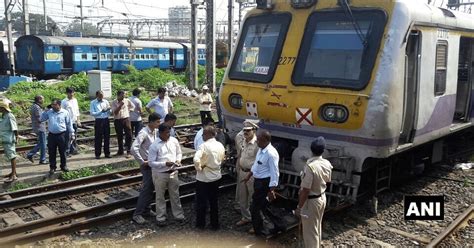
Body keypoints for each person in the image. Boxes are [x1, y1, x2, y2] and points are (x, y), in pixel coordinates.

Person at [295, 137, 333, 248]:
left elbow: (306, 189)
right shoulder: (326, 163)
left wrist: (299, 206)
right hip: (321, 197)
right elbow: (328, 180)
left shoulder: (310, 167)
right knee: (316, 227)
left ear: (311, 150)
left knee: (309, 232)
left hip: (310, 201)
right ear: (323, 150)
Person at [243, 130, 280, 236]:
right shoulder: (261, 149)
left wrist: (272, 189)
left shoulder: (271, 153)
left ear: (266, 140)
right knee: (263, 206)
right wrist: (249, 175)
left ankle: (259, 230)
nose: (257, 141)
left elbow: (275, 172)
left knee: (255, 207)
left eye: (259, 139)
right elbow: (256, 165)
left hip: (265, 184)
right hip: (258, 182)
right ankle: (278, 225)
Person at [148, 124, 185, 226]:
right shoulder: (154, 146)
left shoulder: (174, 141)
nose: (168, 135)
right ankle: (160, 217)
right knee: (160, 196)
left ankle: (178, 215)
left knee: (175, 195)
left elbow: (179, 152)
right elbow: (151, 162)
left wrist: (178, 160)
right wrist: (164, 164)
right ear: (160, 133)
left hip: (173, 172)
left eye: (169, 132)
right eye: (166, 133)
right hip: (160, 174)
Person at [130, 113, 161, 224]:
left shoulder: (155, 132)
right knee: (146, 189)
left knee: (150, 188)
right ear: (151, 122)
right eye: (157, 121)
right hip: (147, 166)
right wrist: (142, 162)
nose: (159, 123)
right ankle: (137, 214)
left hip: (153, 164)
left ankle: (147, 210)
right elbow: (134, 148)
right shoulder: (144, 133)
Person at [193, 125, 226, 230]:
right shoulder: (220, 145)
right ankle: (215, 224)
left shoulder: (203, 146)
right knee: (214, 202)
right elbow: (222, 159)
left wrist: (199, 168)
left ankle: (200, 224)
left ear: (208, 134)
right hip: (216, 177)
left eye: (203, 134)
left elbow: (196, 159)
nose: (202, 136)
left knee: (201, 202)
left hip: (204, 178)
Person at [41, 99, 74, 175]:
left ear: (59, 105)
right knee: (52, 152)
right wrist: (45, 111)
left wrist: (72, 133)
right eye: (52, 104)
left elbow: (69, 123)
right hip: (52, 135)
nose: (52, 106)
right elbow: (42, 119)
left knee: (63, 151)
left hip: (62, 134)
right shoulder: (49, 112)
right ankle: (52, 167)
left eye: (54, 104)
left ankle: (63, 166)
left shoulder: (65, 112)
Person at [235, 121, 259, 226]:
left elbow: (259, 161)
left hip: (251, 174)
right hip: (242, 172)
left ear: (254, 130)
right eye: (244, 130)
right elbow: (240, 155)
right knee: (242, 197)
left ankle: (256, 220)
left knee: (253, 198)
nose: (245, 132)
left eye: (248, 130)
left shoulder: (257, 144)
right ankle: (246, 217)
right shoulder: (243, 141)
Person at [111, 90, 135, 158]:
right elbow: (115, 112)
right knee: (119, 136)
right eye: (122, 95)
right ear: (118, 95)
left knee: (129, 135)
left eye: (124, 95)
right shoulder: (114, 102)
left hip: (126, 119)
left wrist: (128, 111)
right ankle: (120, 151)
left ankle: (129, 151)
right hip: (118, 120)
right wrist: (120, 105)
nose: (124, 96)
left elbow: (132, 107)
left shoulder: (127, 100)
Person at [0, 100, 18, 182]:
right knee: (10, 155)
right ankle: (13, 172)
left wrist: (16, 138)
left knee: (12, 156)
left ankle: (13, 175)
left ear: (3, 108)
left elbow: (15, 129)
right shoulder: (3, 115)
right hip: (5, 138)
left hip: (9, 139)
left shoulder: (10, 116)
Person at [90, 90, 111, 159]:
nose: (101, 97)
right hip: (98, 120)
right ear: (97, 96)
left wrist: (109, 110)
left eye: (102, 96)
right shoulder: (93, 103)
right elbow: (92, 113)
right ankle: (97, 154)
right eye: (100, 96)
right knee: (98, 138)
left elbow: (109, 112)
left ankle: (107, 153)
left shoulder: (106, 101)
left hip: (106, 119)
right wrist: (101, 112)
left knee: (107, 137)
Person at [26, 95, 47, 164]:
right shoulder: (37, 107)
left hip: (37, 127)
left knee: (42, 143)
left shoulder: (34, 106)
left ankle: (31, 154)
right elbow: (39, 118)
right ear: (39, 99)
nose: (43, 100)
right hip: (40, 127)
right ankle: (42, 159)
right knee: (43, 143)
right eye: (43, 99)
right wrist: (46, 115)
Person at [61, 87, 81, 156]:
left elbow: (77, 110)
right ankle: (67, 151)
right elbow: (62, 112)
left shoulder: (75, 100)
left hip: (74, 121)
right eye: (70, 93)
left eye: (73, 92)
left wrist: (78, 120)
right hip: (67, 122)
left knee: (74, 136)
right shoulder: (64, 101)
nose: (72, 94)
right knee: (68, 137)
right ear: (67, 93)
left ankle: (73, 150)